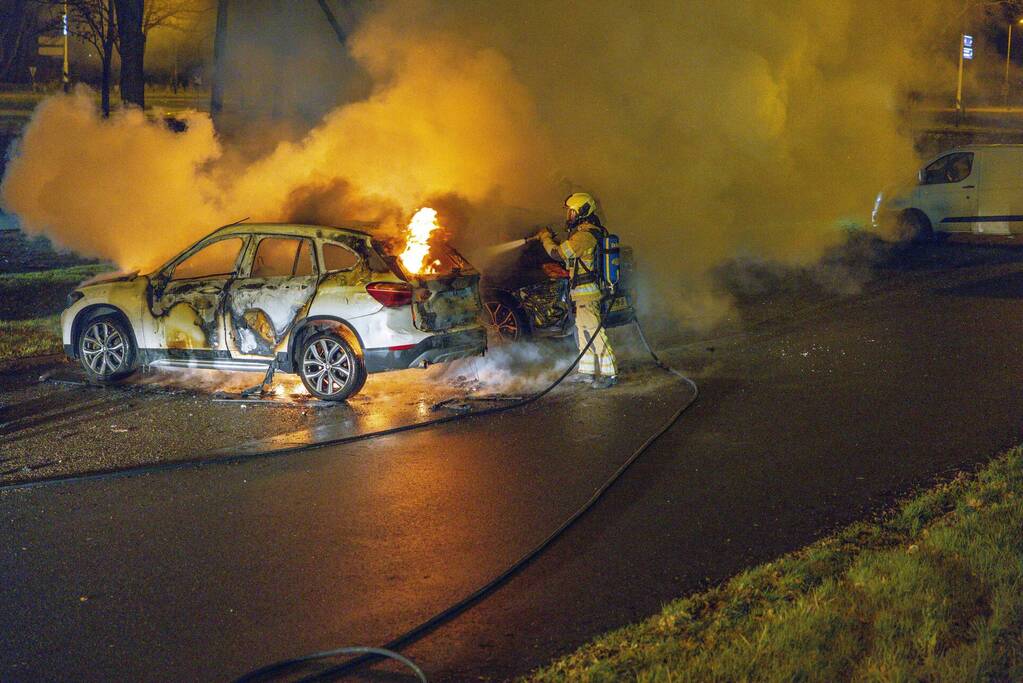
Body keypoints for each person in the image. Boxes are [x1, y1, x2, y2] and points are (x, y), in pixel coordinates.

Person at [535, 192, 618, 388]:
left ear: (582, 211)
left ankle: (610, 374)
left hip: (588, 293)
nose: (568, 216)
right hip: (581, 294)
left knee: (596, 334)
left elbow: (558, 253)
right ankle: (587, 371)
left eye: (571, 212)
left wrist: (546, 238)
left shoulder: (585, 236)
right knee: (584, 333)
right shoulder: (585, 233)